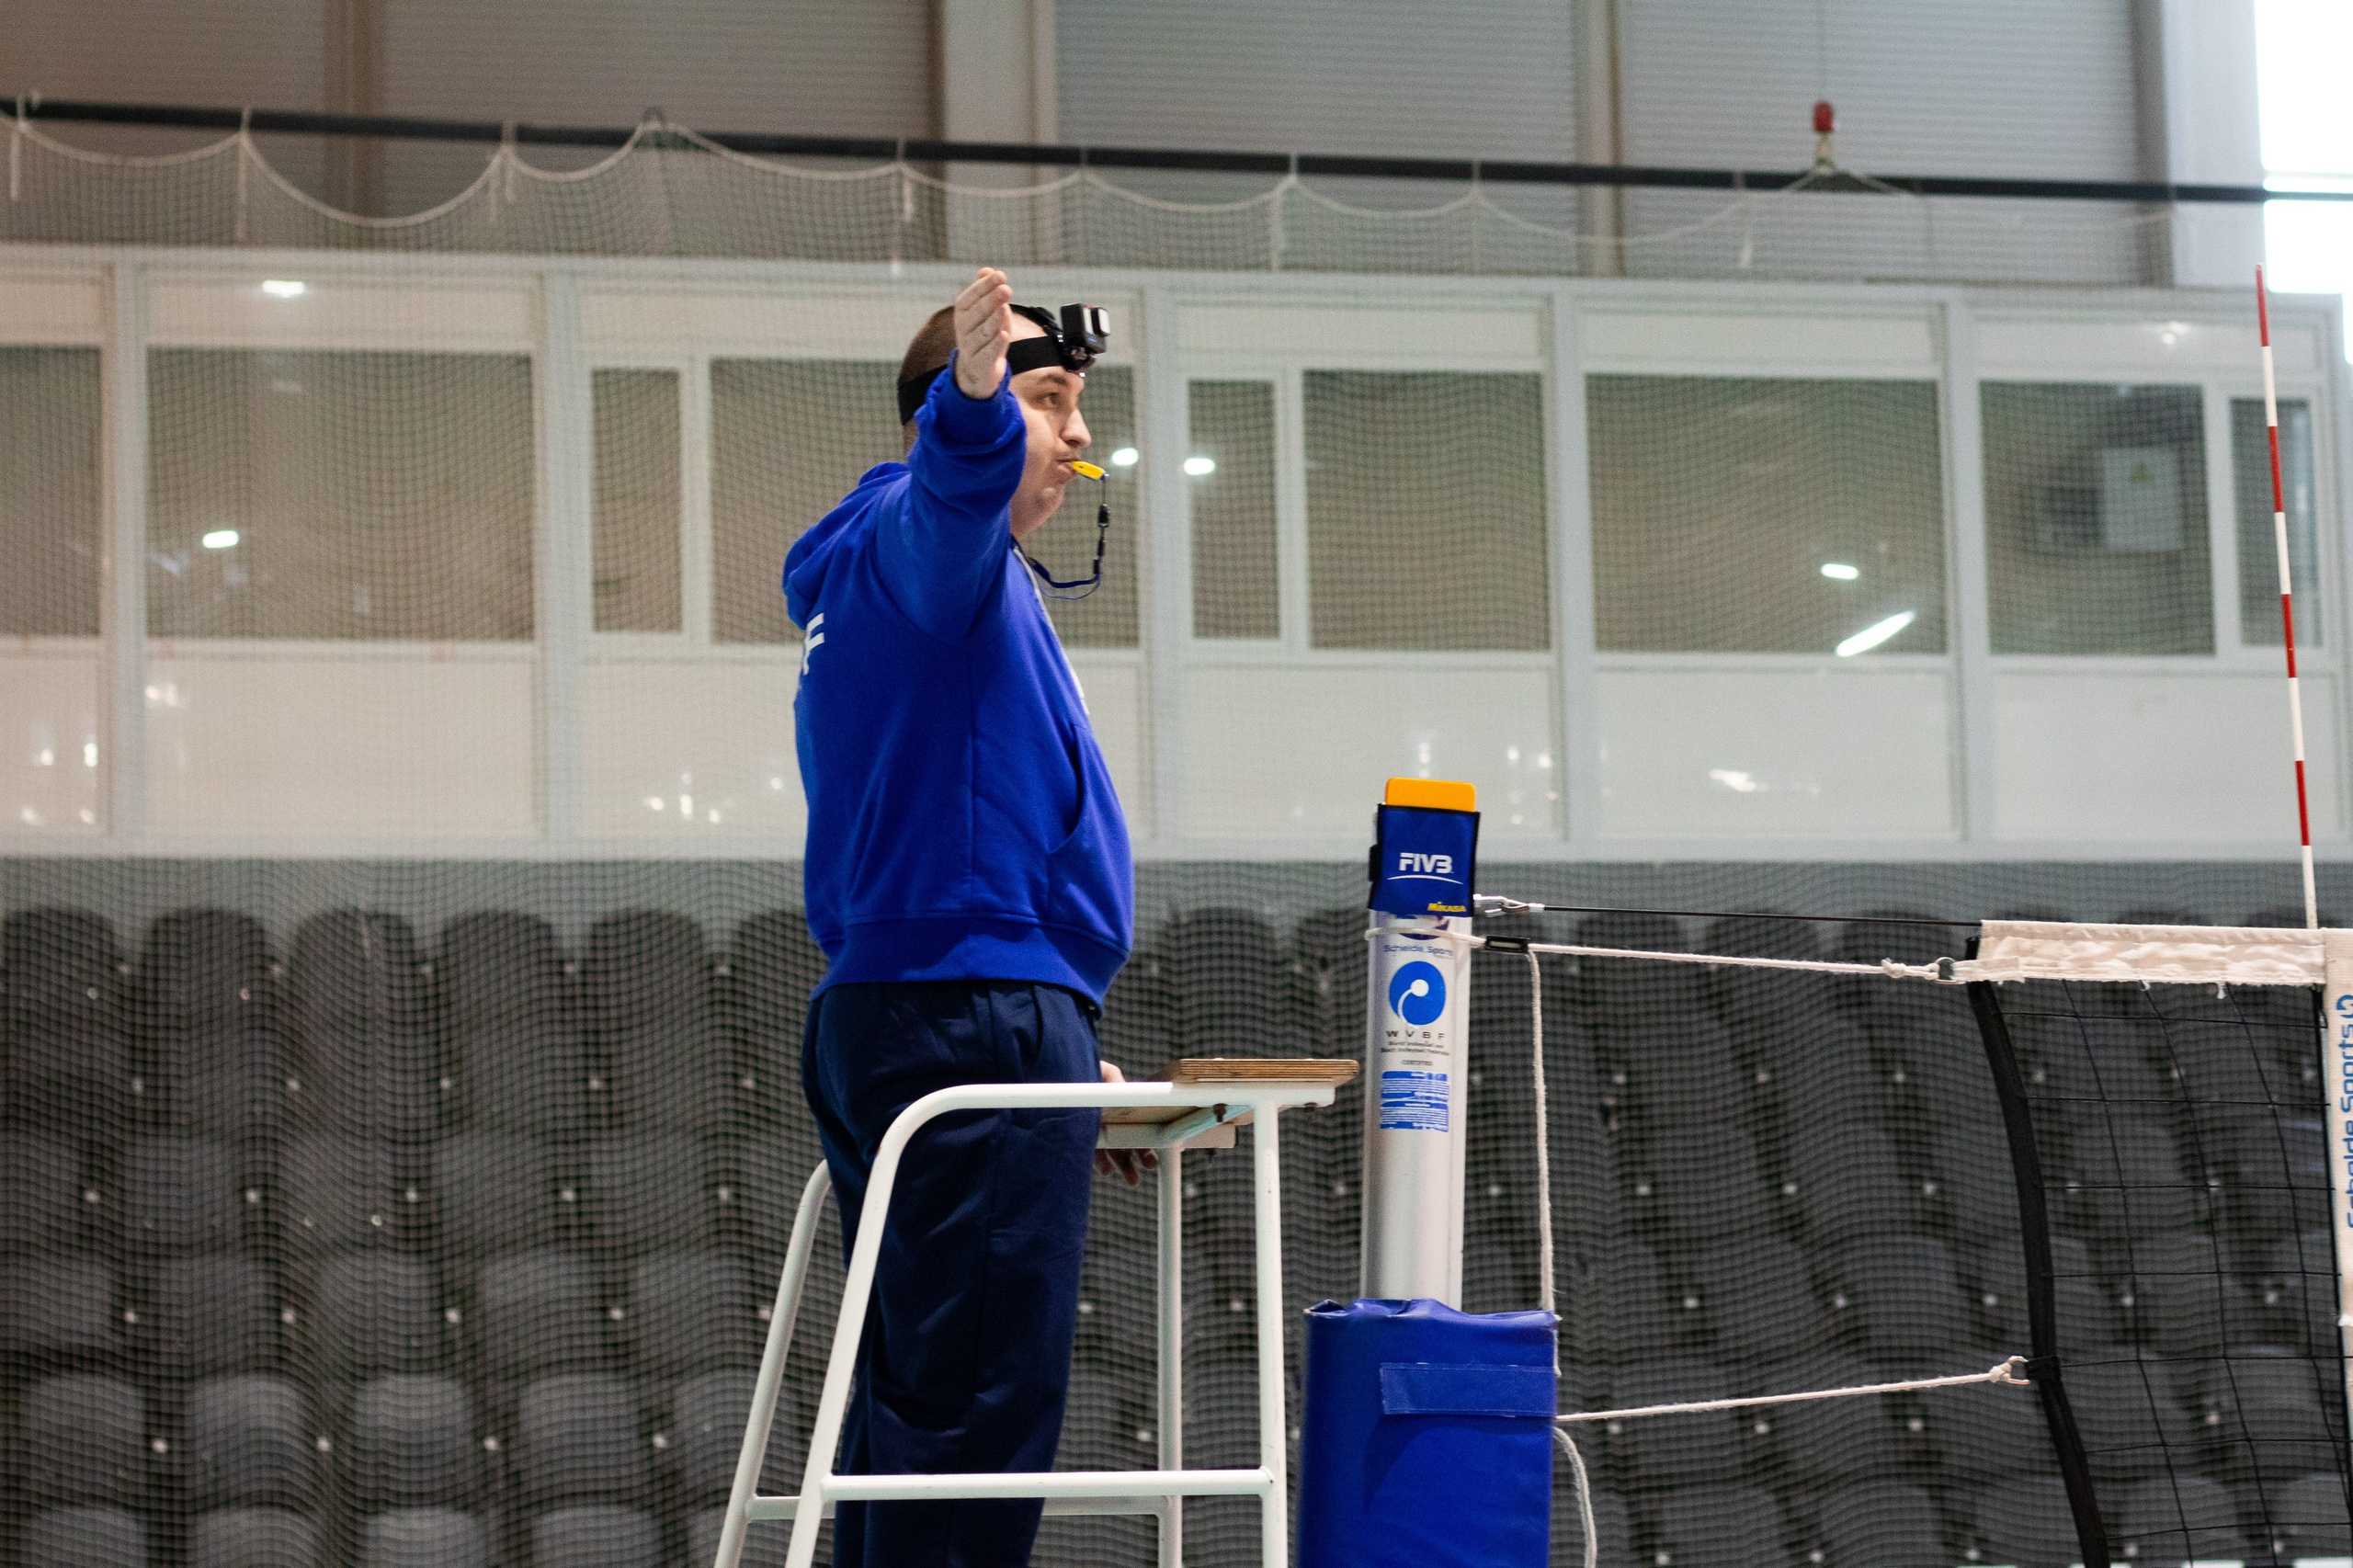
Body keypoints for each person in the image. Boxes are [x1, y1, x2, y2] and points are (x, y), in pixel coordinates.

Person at [781, 266, 1141, 1568]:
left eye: (1080, 402)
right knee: (970, 1429)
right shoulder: (930, 550)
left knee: (912, 1420)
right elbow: (954, 488)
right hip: (970, 1014)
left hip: (948, 1007)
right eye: (1056, 398)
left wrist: (1054, 1039)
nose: (1084, 432)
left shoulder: (900, 586)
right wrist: (982, 402)